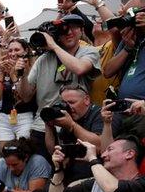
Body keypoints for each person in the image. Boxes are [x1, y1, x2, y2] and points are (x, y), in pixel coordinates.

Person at [17, 14, 101, 158]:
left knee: (71, 174)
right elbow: (25, 97)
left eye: (73, 28)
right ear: (56, 35)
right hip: (43, 126)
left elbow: (79, 68)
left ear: (81, 30)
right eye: (63, 30)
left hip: (73, 126)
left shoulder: (88, 52)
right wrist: (22, 75)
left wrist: (54, 46)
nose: (68, 32)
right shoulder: (43, 59)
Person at [0, 39, 37, 151]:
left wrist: (13, 75)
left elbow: (25, 97)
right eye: (10, 50)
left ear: (25, 51)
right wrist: (2, 73)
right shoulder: (5, 68)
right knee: (4, 156)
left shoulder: (30, 69)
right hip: (4, 118)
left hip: (24, 117)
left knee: (21, 154)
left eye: (17, 50)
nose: (13, 53)